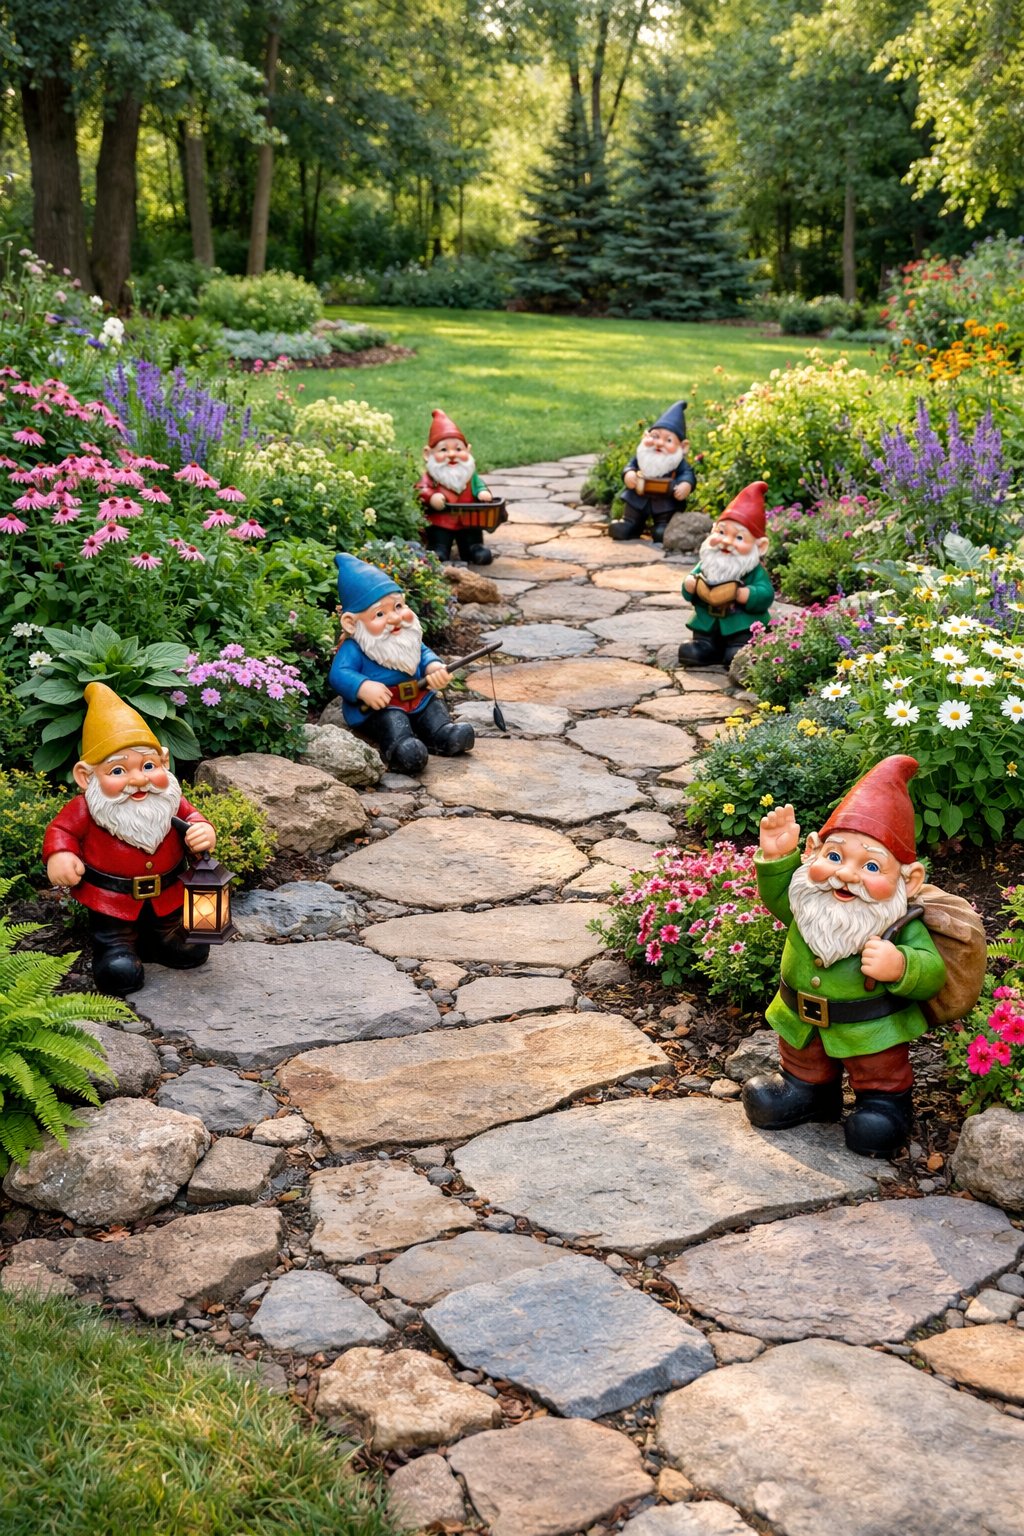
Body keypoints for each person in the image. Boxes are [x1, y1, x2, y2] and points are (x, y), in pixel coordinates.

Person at [741, 755, 947, 1157]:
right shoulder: (809, 906)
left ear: (910, 879)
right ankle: (808, 1092)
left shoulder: (901, 925)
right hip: (801, 1022)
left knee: (878, 1076)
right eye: (834, 857)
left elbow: (932, 972)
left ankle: (884, 1105)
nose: (847, 875)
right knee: (801, 1062)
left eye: (870, 865)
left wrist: (901, 965)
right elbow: (779, 895)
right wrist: (777, 858)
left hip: (872, 1031)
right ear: (813, 851)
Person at [42, 682, 216, 996]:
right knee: (117, 962)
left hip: (169, 893)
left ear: (164, 761)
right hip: (111, 902)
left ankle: (165, 940)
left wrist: (204, 831)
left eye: (148, 766)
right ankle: (116, 949)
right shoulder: (86, 809)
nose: (138, 779)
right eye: (119, 770)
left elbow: (192, 817)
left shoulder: (168, 800)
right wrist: (60, 854)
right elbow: (62, 831)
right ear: (86, 776)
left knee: (192, 947)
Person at [328, 552, 474, 777]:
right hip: (381, 707)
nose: (395, 618)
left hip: (417, 696)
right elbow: (339, 674)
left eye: (398, 606)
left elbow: (423, 654)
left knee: (433, 708)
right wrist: (363, 686)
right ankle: (401, 749)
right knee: (393, 721)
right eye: (379, 613)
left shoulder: (406, 638)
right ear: (351, 623)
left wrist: (433, 667)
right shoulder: (354, 649)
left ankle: (443, 735)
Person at [678, 479, 773, 668]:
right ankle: (705, 647)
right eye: (721, 532)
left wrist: (745, 594)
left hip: (740, 626)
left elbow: (766, 593)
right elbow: (689, 586)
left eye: (738, 537)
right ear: (713, 530)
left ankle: (738, 649)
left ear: (760, 546)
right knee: (693, 650)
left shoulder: (753, 571)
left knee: (737, 654)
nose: (727, 541)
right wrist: (689, 584)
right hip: (707, 624)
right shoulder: (709, 563)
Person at [416, 408, 495, 566]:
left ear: (468, 450)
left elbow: (479, 486)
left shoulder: (469, 476)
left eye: (458, 449)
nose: (452, 454)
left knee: (471, 535)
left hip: (468, 520)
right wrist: (431, 497)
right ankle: (439, 549)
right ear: (427, 454)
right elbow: (420, 489)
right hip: (441, 520)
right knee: (440, 538)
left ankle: (474, 549)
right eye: (443, 450)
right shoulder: (432, 477)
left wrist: (483, 492)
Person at [613, 400, 697, 543]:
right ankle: (630, 524)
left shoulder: (677, 462)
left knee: (661, 530)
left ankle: (662, 528)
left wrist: (685, 485)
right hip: (638, 498)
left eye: (668, 440)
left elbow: (687, 475)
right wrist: (629, 474)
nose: (658, 443)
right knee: (629, 521)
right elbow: (630, 466)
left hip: (664, 502)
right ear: (645, 436)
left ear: (683, 446)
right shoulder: (643, 456)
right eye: (655, 436)